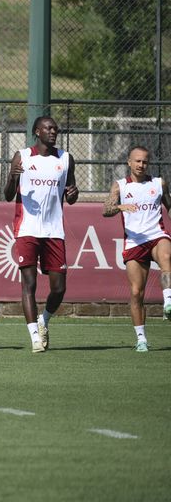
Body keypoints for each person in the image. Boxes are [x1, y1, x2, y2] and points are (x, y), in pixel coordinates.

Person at [3, 115, 78, 353]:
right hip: (27, 228)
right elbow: (7, 195)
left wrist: (74, 193)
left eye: (55, 128)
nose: (53, 131)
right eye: (48, 128)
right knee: (30, 284)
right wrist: (13, 176)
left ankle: (44, 320)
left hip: (54, 230)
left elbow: (71, 196)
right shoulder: (22, 156)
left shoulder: (65, 159)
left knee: (59, 288)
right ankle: (34, 335)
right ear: (37, 131)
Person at [102, 145, 171, 352]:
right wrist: (121, 206)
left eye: (145, 161)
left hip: (156, 235)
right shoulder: (120, 186)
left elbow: (169, 205)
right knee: (135, 292)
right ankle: (141, 339)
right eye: (137, 161)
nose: (141, 165)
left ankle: (168, 302)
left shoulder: (159, 183)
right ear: (129, 163)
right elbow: (106, 210)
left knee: (166, 256)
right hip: (134, 241)